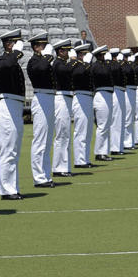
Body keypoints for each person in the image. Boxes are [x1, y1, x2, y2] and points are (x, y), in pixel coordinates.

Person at [0, 29, 26, 200]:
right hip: (7, 106)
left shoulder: (12, 61)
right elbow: (6, 66)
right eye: (15, 42)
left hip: (15, 105)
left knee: (13, 150)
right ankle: (6, 189)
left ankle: (11, 187)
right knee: (8, 150)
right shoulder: (3, 60)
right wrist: (16, 53)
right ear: (8, 44)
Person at [26, 31, 56, 188]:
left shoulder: (44, 60)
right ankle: (39, 177)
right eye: (43, 45)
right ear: (36, 47)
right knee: (40, 139)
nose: (45, 47)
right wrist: (48, 56)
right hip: (41, 97)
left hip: (50, 97)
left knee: (47, 139)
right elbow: (42, 68)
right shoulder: (34, 62)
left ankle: (45, 174)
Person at [51, 38, 76, 178]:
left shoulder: (63, 63)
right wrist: (74, 60)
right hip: (61, 98)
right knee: (62, 134)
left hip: (66, 98)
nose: (68, 52)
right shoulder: (58, 64)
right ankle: (59, 167)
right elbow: (66, 71)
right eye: (66, 50)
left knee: (65, 134)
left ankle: (63, 166)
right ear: (61, 51)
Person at [71, 43, 95, 168]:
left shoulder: (86, 66)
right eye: (84, 54)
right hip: (80, 97)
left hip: (88, 97)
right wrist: (85, 64)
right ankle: (79, 160)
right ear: (80, 55)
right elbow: (77, 74)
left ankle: (85, 158)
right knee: (80, 130)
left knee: (88, 130)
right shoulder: (76, 66)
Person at [90, 45, 113, 161]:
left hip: (107, 94)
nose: (105, 57)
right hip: (101, 94)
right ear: (99, 56)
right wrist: (109, 62)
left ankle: (104, 151)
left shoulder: (104, 65)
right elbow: (104, 73)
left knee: (107, 124)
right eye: (103, 55)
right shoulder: (96, 66)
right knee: (102, 125)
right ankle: (100, 152)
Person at [108, 48, 126, 155]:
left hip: (120, 91)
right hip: (115, 91)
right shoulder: (112, 65)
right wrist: (118, 62)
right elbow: (114, 70)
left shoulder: (118, 65)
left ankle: (119, 146)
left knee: (120, 120)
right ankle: (114, 148)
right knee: (116, 121)